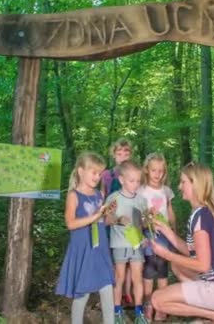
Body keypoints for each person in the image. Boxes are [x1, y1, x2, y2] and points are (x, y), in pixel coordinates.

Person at [149, 162, 214, 324]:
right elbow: (193, 252)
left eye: (183, 182)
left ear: (195, 184)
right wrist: (167, 231)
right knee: (178, 266)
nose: (179, 186)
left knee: (158, 300)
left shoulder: (200, 217)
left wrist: (166, 254)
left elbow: (202, 265)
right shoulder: (210, 211)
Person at [55, 152, 116, 324]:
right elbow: (70, 223)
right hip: (83, 251)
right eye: (94, 173)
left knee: (107, 288)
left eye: (100, 173)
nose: (97, 177)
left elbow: (103, 221)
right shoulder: (73, 195)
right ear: (81, 172)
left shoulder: (99, 195)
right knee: (82, 293)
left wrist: (108, 214)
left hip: (100, 250)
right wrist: (94, 217)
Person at [105, 160, 149, 324]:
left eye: (138, 181)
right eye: (132, 181)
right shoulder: (114, 197)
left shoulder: (141, 200)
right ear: (122, 180)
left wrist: (148, 222)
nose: (136, 184)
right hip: (119, 244)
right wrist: (118, 219)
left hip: (136, 244)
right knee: (120, 278)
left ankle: (139, 312)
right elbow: (106, 219)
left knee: (138, 278)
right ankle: (117, 312)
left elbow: (142, 223)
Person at [138, 153, 176, 321]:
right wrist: (145, 222)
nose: (157, 174)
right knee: (149, 267)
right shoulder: (141, 190)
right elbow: (137, 214)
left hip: (165, 233)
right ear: (147, 170)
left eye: (161, 171)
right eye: (154, 170)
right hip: (148, 232)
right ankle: (148, 303)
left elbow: (170, 211)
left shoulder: (166, 191)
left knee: (162, 268)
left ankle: (162, 306)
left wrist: (174, 231)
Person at [101, 138, 134, 307]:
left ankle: (127, 294)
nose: (122, 156)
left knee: (128, 260)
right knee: (113, 259)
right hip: (111, 222)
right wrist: (106, 216)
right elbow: (103, 197)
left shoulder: (134, 173)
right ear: (114, 155)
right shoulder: (107, 175)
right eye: (119, 153)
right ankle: (112, 296)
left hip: (129, 222)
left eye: (126, 152)